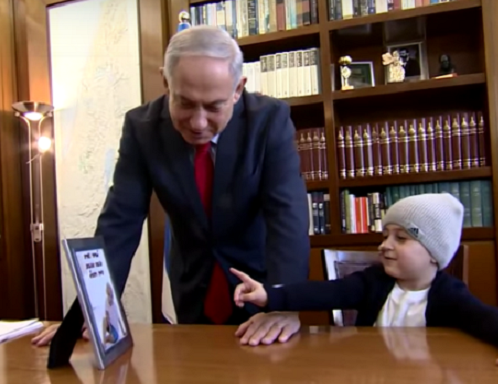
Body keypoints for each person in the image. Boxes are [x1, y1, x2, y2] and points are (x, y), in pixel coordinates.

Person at [32, 25, 309, 347]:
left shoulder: (269, 120)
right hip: (192, 285)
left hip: (261, 281)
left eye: (214, 106)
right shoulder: (142, 128)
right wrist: (90, 312)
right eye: (186, 104)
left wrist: (283, 302)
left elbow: (287, 213)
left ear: (238, 89)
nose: (198, 122)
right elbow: (120, 222)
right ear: (166, 83)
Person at [231, 193, 498, 378]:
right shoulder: (373, 281)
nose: (384, 245)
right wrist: (269, 294)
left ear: (434, 255)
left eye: (401, 238)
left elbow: (487, 317)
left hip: (423, 380)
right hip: (377, 377)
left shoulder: (447, 294)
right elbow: (326, 292)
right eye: (385, 235)